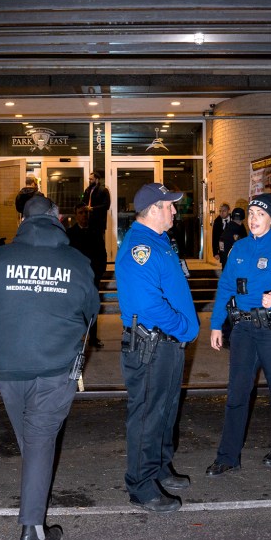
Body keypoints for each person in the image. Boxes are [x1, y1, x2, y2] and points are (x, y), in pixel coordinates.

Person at [0, 195, 97, 540]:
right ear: (58, 219)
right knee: (37, 442)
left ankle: (34, 524)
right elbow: (92, 308)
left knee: (34, 441)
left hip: (6, 369)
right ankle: (30, 533)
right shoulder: (75, 261)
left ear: (22, 222)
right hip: (54, 368)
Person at [115, 183, 200, 513]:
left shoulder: (160, 242)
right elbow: (148, 305)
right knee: (148, 415)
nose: (175, 211)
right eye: (169, 206)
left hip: (166, 345)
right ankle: (140, 484)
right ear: (152, 210)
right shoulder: (141, 247)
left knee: (165, 411)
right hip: (152, 344)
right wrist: (184, 328)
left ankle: (159, 467)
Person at [207, 193, 271, 477]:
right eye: (250, 214)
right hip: (243, 330)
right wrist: (216, 324)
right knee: (236, 392)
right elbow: (225, 287)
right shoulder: (238, 249)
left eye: (259, 214)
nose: (253, 219)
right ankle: (228, 455)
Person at [67, 203, 107, 348]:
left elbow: (102, 255)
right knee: (75, 308)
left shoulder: (96, 232)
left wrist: (98, 273)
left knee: (93, 308)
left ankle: (93, 337)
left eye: (86, 213)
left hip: (92, 277)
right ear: (76, 214)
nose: (84, 215)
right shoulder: (70, 234)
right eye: (81, 212)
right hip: (76, 279)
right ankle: (76, 337)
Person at [80, 169, 111, 237]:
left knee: (98, 241)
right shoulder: (88, 190)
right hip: (87, 220)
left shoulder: (103, 190)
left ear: (97, 179)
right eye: (89, 179)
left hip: (98, 222)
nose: (90, 181)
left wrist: (93, 208)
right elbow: (83, 201)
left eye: (91, 179)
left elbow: (106, 205)